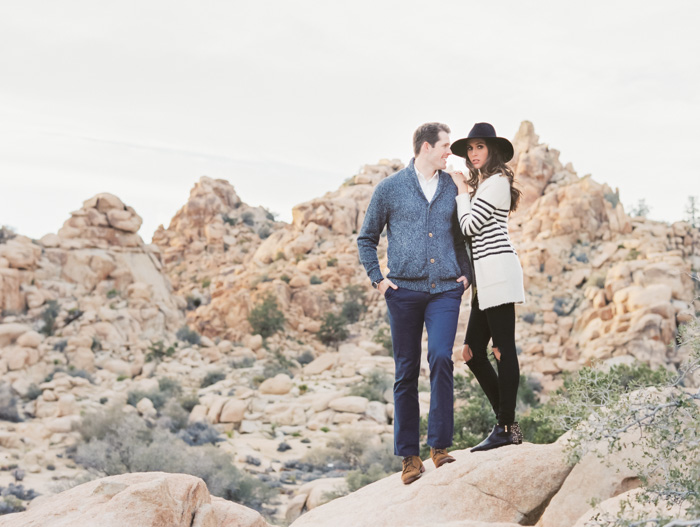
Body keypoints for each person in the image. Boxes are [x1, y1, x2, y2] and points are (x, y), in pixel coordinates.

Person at [357, 122, 471, 484]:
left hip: (445, 291)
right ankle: (410, 457)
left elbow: (462, 235)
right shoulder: (390, 188)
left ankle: (439, 447)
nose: (449, 153)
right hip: (402, 293)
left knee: (440, 357)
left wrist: (465, 273)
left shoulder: (451, 187)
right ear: (425, 147)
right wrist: (379, 280)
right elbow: (366, 238)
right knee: (405, 372)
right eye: (445, 147)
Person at [449, 122, 525, 452]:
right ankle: (507, 424)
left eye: (480, 147)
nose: (474, 153)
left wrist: (461, 192)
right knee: (470, 352)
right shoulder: (486, 184)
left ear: (492, 150)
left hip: (498, 272)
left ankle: (506, 426)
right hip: (486, 278)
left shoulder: (496, 182)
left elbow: (469, 226)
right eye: (470, 148)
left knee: (502, 350)